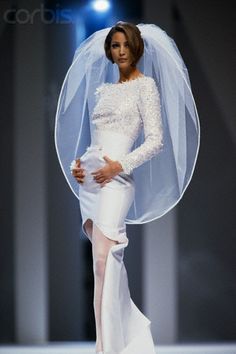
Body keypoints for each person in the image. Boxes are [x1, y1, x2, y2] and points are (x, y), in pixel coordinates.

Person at [55, 21, 200, 354]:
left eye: (125, 45)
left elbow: (156, 141)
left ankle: (114, 345)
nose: (120, 51)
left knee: (107, 261)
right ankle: (107, 344)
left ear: (136, 48)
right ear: (109, 50)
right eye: (115, 46)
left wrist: (117, 166)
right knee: (100, 265)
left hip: (118, 179)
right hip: (92, 180)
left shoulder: (145, 87)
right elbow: (96, 142)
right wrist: (79, 165)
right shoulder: (104, 90)